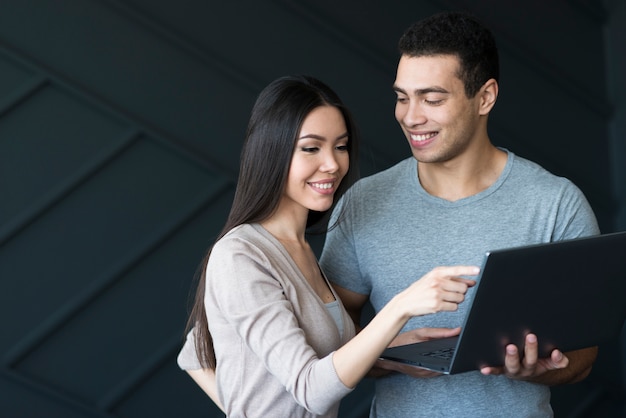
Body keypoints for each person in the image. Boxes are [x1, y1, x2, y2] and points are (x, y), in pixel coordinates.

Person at [319, 11, 600, 418]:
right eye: (402, 97)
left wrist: (535, 370)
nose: (411, 116)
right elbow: (328, 343)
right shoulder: (362, 202)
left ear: (485, 97)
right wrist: (385, 354)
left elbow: (584, 357)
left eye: (432, 99)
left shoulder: (556, 204)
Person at [176, 75, 477, 417]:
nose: (333, 164)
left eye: (340, 146)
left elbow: (194, 350)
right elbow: (310, 390)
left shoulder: (300, 249)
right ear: (271, 151)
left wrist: (395, 349)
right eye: (311, 147)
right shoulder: (241, 255)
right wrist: (401, 307)